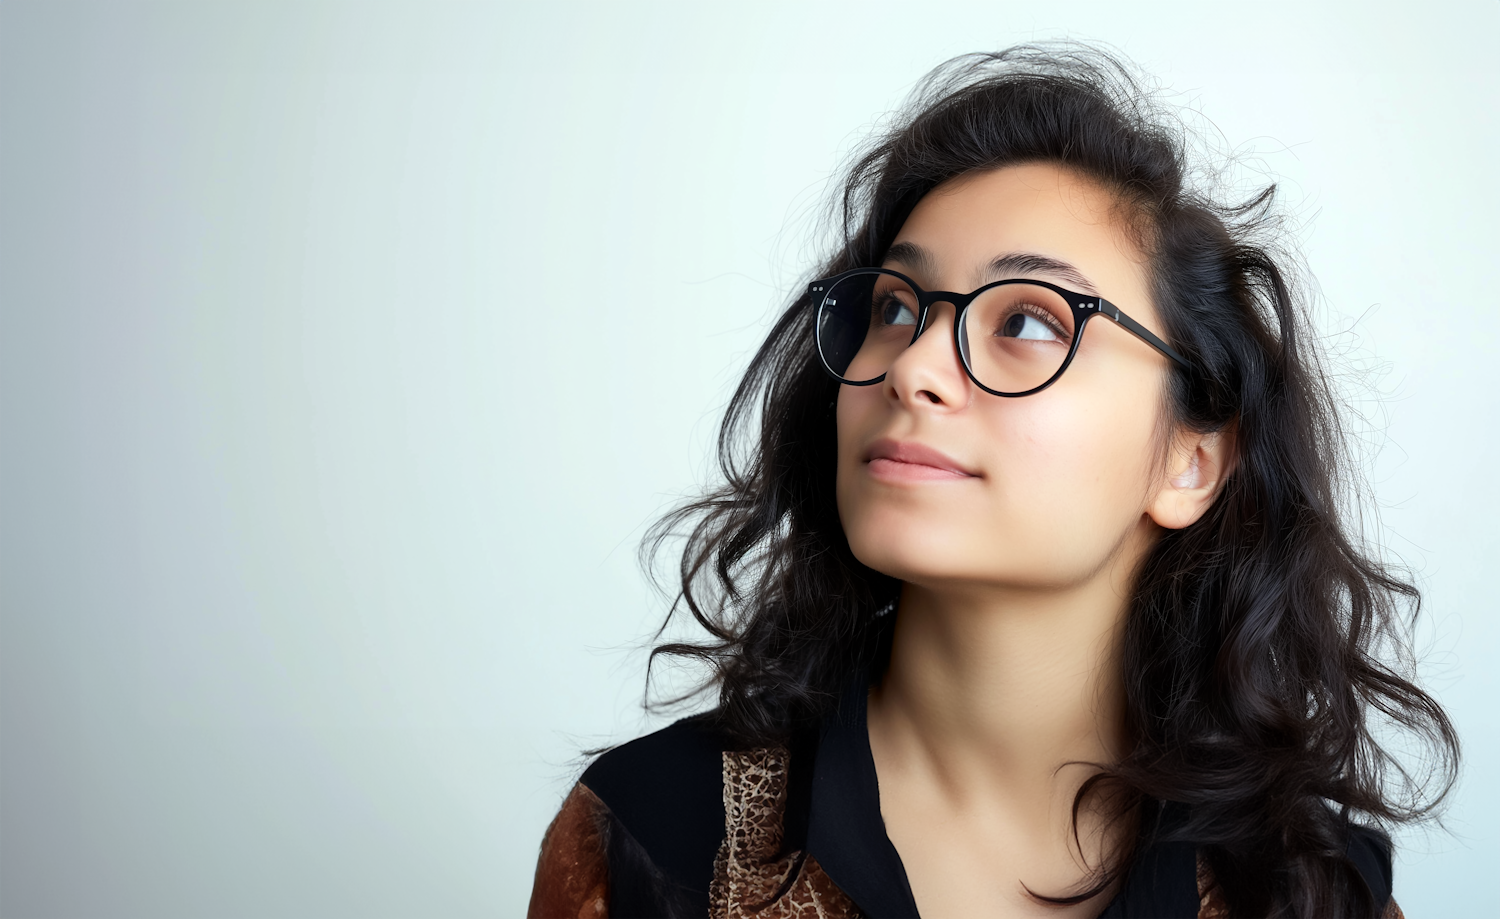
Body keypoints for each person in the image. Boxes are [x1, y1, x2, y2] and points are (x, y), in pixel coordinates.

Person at [526, 45, 1456, 919]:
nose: (914, 365)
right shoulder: (654, 837)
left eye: (1031, 323)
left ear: (1189, 460)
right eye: (895, 306)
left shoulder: (1307, 890)